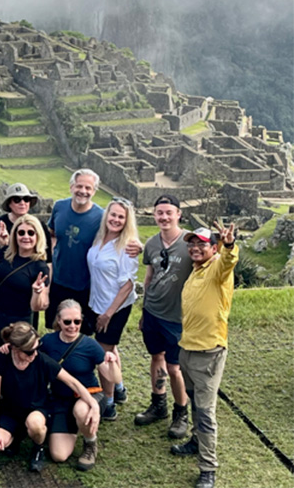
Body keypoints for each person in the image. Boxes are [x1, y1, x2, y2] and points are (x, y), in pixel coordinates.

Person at [170, 223, 238, 488]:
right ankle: (196, 441)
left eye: (202, 244)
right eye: (192, 244)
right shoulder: (196, 271)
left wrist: (229, 245)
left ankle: (208, 468)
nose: (195, 248)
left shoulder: (218, 269)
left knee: (206, 411)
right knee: (195, 404)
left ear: (213, 247)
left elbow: (229, 260)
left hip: (209, 352)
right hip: (187, 348)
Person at [0, 322, 100, 473]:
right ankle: (18, 433)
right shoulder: (1, 359)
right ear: (14, 348)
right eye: (29, 352)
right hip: (10, 410)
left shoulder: (42, 360)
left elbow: (73, 382)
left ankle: (38, 448)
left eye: (37, 348)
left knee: (35, 424)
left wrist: (93, 404)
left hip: (36, 408)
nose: (34, 354)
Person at [40, 300, 122, 471]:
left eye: (77, 321)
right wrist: (7, 345)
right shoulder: (48, 341)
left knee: (81, 410)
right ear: (59, 321)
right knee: (58, 455)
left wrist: (113, 363)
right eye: (67, 322)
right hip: (60, 399)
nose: (72, 326)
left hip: (90, 394)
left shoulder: (89, 345)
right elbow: (28, 351)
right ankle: (77, 426)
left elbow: (114, 378)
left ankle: (90, 443)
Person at [136, 195, 192, 438]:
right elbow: (149, 276)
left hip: (177, 317)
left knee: (174, 367)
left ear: (178, 214)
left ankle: (181, 412)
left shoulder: (189, 242)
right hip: (153, 313)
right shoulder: (151, 244)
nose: (164, 217)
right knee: (155, 357)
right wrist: (144, 309)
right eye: (159, 213)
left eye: (169, 212)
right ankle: (158, 404)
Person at [85, 197, 139, 419]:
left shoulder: (127, 246)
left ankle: (108, 403)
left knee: (103, 353)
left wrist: (108, 314)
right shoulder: (100, 238)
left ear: (127, 221)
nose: (116, 220)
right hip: (97, 302)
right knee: (110, 347)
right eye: (113, 214)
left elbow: (128, 285)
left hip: (115, 306)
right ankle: (119, 388)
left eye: (121, 217)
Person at [0, 214, 50, 358]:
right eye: (21, 232)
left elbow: (38, 306)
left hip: (19, 322)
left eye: (31, 233)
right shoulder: (5, 253)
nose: (26, 237)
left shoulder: (39, 266)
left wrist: (36, 292)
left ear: (38, 236)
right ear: (15, 235)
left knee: (15, 364)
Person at [46, 169, 105, 330]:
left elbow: (118, 239)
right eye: (79, 186)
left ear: (94, 191)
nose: (83, 191)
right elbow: (51, 233)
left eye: (88, 188)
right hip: (58, 280)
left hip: (85, 284)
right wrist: (52, 256)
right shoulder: (59, 207)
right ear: (72, 187)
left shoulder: (101, 217)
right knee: (56, 327)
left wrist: (136, 245)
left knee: (79, 331)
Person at [0, 182, 52, 264]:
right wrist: (3, 247)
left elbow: (48, 258)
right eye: (17, 200)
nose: (22, 203)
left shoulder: (39, 225)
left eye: (26, 199)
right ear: (9, 204)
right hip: (4, 272)